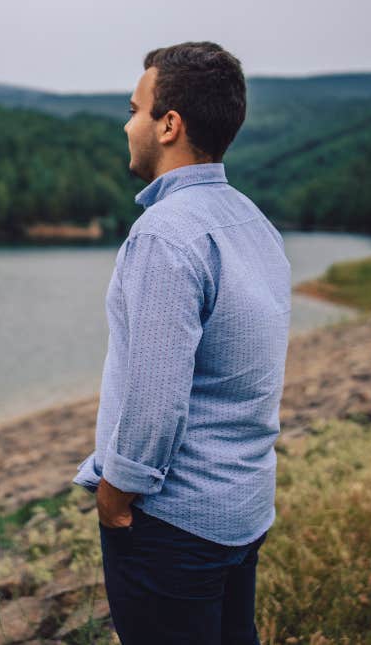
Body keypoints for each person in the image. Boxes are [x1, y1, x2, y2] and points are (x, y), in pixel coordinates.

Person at [72, 41, 291, 644]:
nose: (127, 124)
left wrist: (116, 497)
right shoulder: (252, 221)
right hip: (242, 508)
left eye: (135, 109)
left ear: (169, 125)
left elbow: (154, 397)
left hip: (174, 526)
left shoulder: (165, 235)